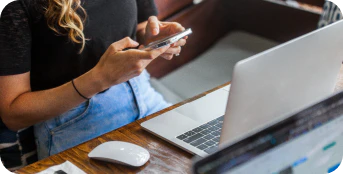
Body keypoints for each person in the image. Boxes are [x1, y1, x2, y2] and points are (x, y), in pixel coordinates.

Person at [0, 0, 187, 170]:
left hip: (144, 94)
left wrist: (153, 37)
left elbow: (141, 26)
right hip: (76, 123)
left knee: (205, 159)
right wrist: (100, 78)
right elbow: (13, 113)